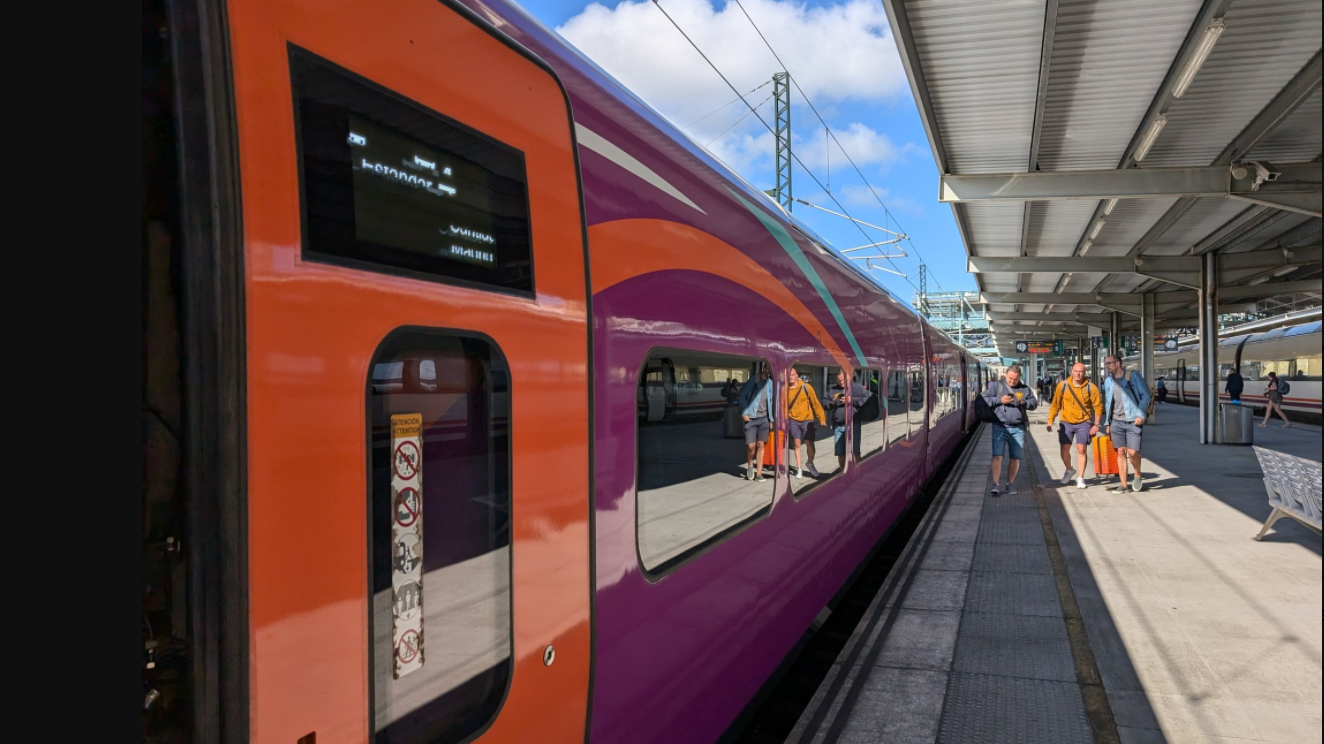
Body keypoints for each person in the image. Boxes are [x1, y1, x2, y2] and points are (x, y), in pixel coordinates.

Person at [1046, 362, 1103, 490]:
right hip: (1066, 422)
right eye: (1076, 371)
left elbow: (1098, 406)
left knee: (1081, 449)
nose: (1078, 374)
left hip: (1084, 422)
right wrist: (1050, 420)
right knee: (1064, 449)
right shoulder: (1063, 385)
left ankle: (1081, 478)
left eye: (1081, 371)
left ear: (1084, 372)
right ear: (1071, 371)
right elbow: (1055, 404)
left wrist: (1097, 424)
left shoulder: (1091, 387)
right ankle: (1069, 470)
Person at [983, 364, 1037, 497]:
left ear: (1020, 378)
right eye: (1010, 378)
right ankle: (995, 484)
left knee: (1015, 458)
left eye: (1015, 380)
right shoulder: (997, 386)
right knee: (997, 456)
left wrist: (1023, 402)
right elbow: (985, 400)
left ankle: (1009, 484)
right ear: (1006, 374)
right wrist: (1000, 400)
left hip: (1018, 428)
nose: (1012, 382)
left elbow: (1033, 404)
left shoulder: (1024, 389)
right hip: (999, 426)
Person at [1102, 354, 1151, 493]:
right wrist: (1107, 423)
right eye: (1106, 364)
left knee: (1133, 451)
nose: (1107, 367)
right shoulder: (1108, 382)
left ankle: (1137, 474)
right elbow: (1108, 403)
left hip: (1132, 420)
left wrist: (1141, 414)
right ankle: (1123, 484)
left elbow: (1145, 395)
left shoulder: (1133, 376)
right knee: (1121, 452)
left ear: (1117, 364)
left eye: (1109, 364)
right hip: (1116, 421)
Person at [823, 370, 871, 473]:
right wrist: (831, 404)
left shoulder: (857, 387)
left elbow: (867, 398)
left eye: (843, 381)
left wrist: (851, 400)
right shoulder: (833, 390)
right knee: (840, 453)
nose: (841, 383)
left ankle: (858, 473)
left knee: (855, 452)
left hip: (854, 425)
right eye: (839, 381)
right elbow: (824, 402)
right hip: (838, 426)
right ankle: (843, 473)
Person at [786, 368, 826, 479]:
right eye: (789, 375)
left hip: (807, 419)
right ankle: (799, 469)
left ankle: (810, 463)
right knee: (796, 444)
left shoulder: (806, 387)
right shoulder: (785, 389)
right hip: (793, 419)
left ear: (796, 375)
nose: (790, 377)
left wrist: (822, 418)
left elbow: (816, 404)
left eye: (792, 375)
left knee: (810, 444)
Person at [738, 364, 775, 480]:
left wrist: (771, 419)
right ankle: (750, 464)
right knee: (751, 446)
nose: (768, 370)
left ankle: (759, 474)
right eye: (767, 368)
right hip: (751, 418)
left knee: (760, 445)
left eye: (770, 369)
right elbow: (742, 396)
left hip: (764, 418)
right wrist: (745, 413)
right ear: (763, 368)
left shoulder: (771, 383)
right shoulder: (754, 379)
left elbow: (771, 402)